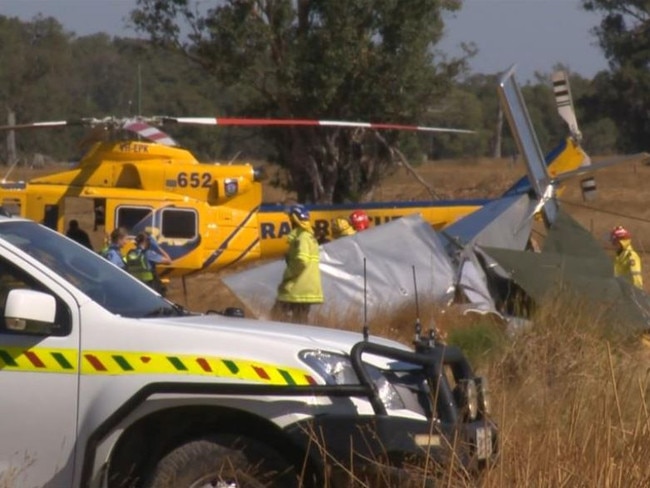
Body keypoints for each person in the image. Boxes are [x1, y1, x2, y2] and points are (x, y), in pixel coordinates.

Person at [274, 204, 323, 323]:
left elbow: (301, 261)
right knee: (300, 322)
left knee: (275, 316)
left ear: (294, 219)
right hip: (306, 288)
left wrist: (288, 276)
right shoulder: (309, 237)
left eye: (290, 219)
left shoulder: (302, 238)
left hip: (297, 288)